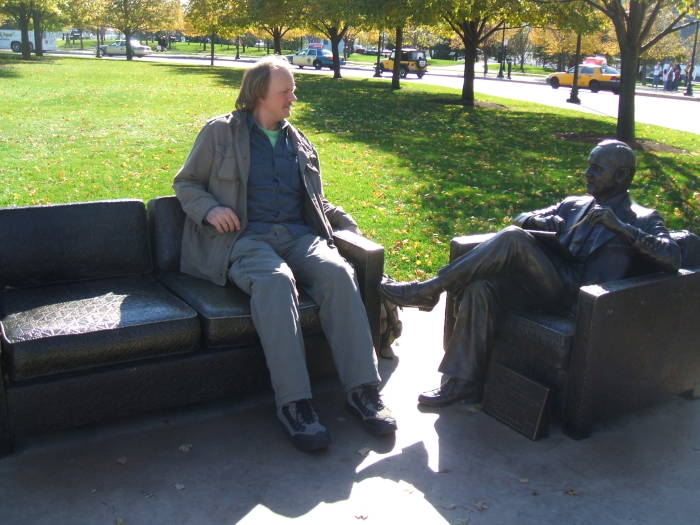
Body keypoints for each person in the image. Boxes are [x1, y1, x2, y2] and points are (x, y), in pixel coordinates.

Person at [173, 56, 396, 451]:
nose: (294, 96)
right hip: (245, 238)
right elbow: (186, 183)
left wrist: (347, 226)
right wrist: (211, 208)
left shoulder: (300, 142)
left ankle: (363, 390)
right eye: (286, 90)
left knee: (338, 274)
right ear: (261, 93)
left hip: (298, 236)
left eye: (292, 89)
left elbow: (316, 201)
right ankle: (295, 404)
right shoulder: (220, 133)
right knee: (276, 281)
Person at [380, 140, 680, 407]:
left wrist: (622, 229)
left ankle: (431, 289)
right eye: (588, 165)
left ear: (622, 176)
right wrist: (545, 220)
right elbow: (521, 218)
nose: (587, 173)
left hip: (584, 300)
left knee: (512, 238)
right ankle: (463, 383)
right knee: (481, 287)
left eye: (596, 168)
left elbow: (672, 256)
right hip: (545, 283)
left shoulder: (642, 217)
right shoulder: (575, 203)